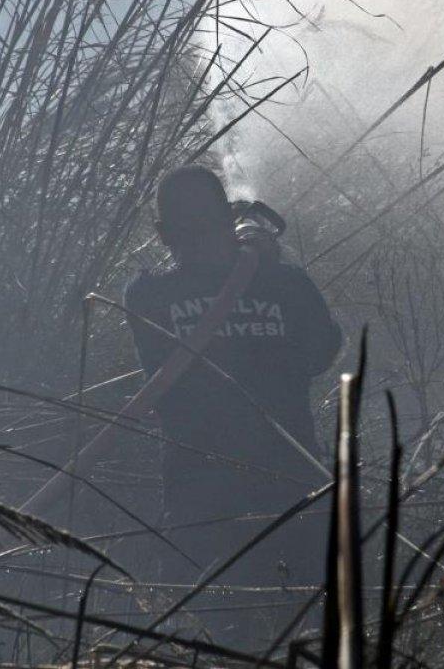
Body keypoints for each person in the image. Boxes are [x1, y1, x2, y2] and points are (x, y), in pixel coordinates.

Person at [124, 165, 342, 588]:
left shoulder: (150, 295)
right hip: (267, 490)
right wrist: (264, 264)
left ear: (163, 232)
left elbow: (320, 352)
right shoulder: (285, 284)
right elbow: (322, 350)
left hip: (219, 497)